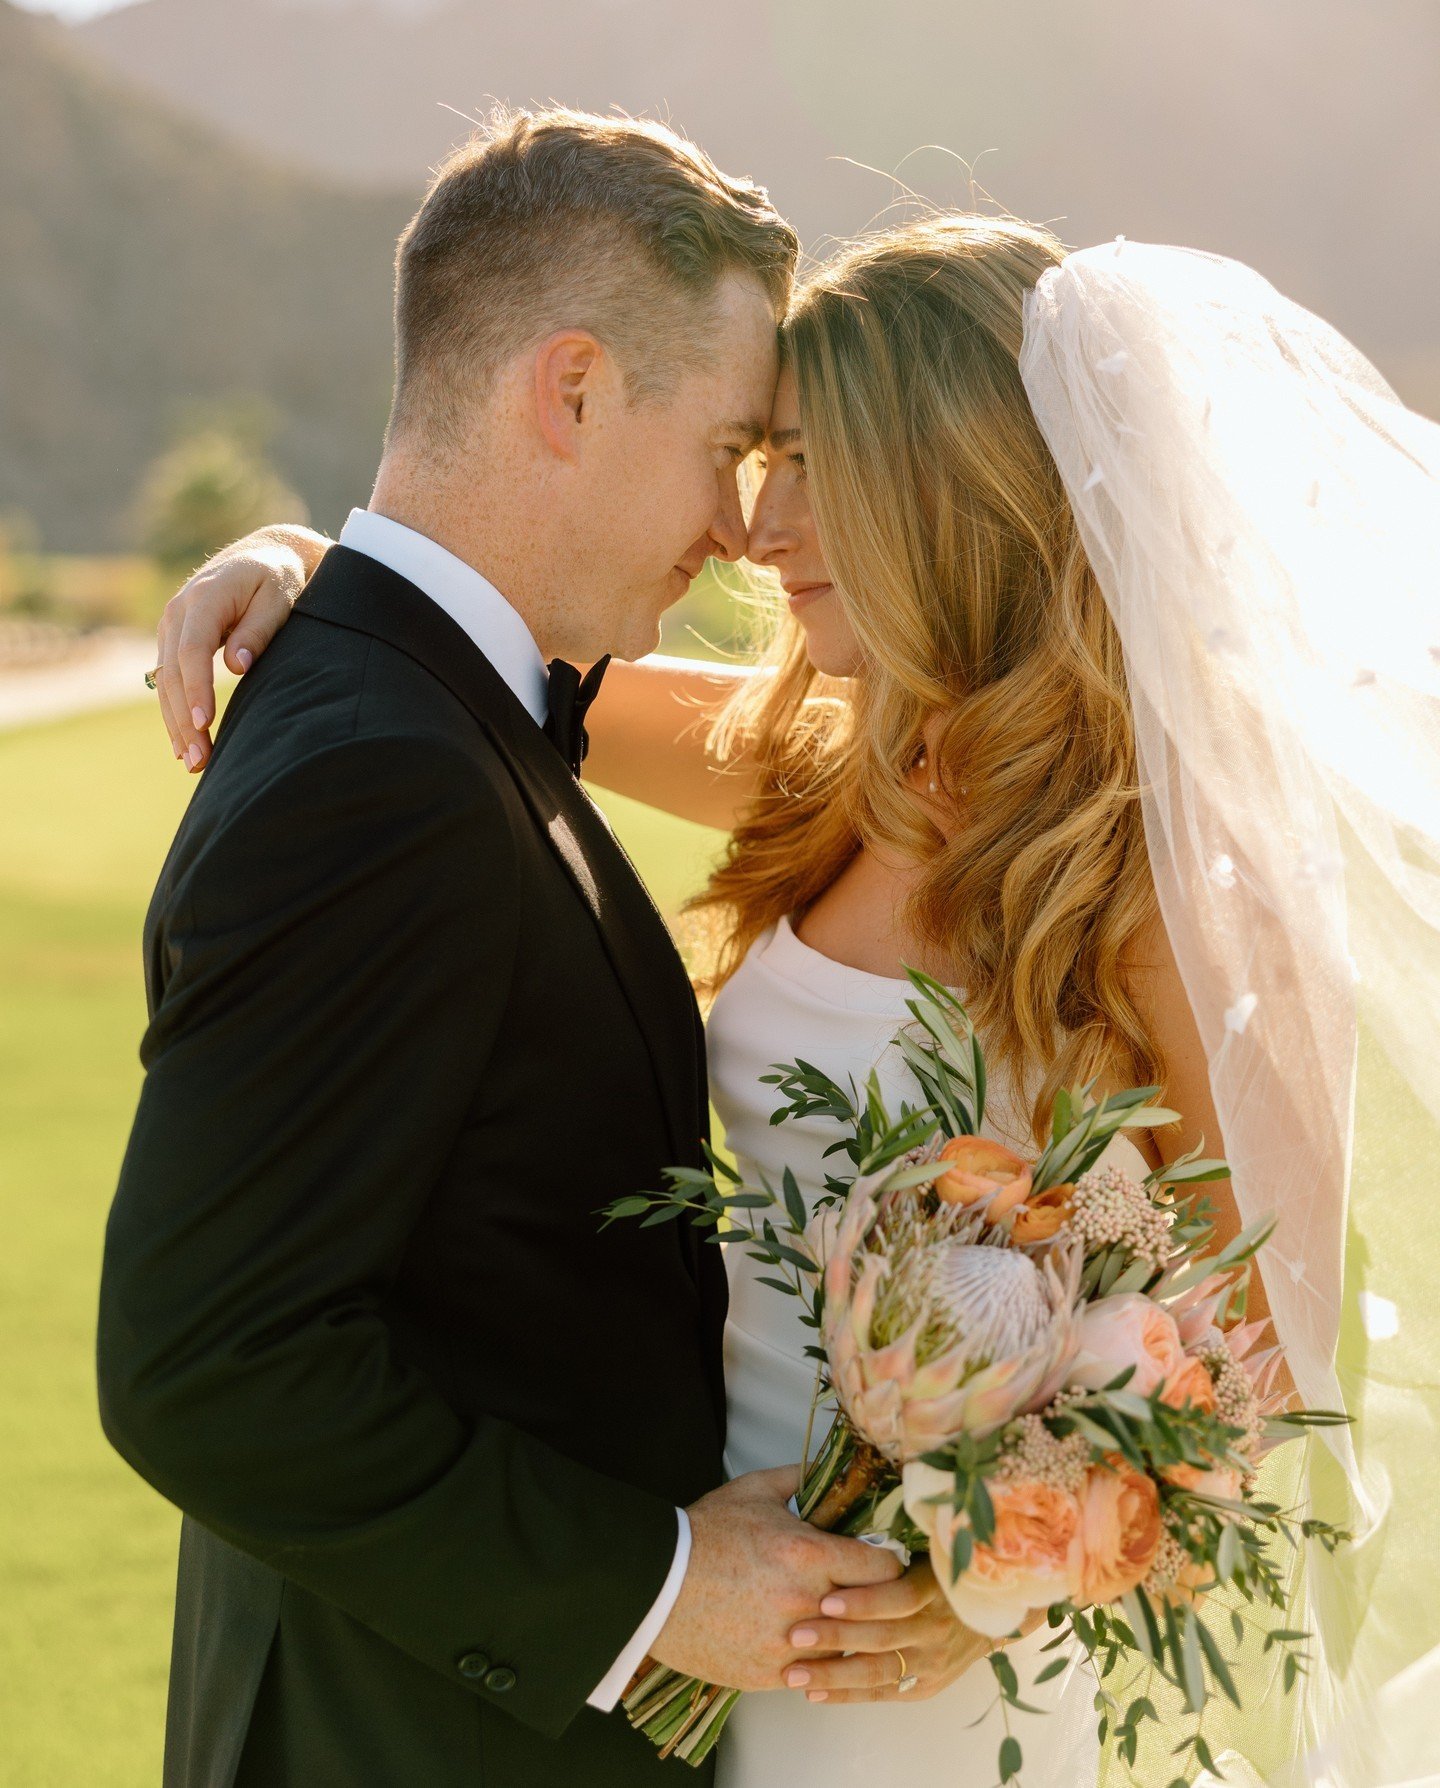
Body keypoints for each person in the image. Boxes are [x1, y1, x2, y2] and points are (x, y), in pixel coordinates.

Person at [145, 211, 1440, 1786]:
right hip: (697, 1589)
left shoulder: (1148, 872)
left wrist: (997, 1573)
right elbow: (482, 650)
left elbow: (1266, 1354)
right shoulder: (829, 771)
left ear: (948, 486)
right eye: (760, 461)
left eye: (815, 466)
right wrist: (298, 563)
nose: (762, 529)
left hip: (915, 1654)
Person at [97, 107, 918, 1788]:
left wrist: (307, 564)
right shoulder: (382, 770)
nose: (740, 526)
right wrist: (667, 1590)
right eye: (732, 448)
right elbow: (205, 1369)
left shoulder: (421, 697)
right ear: (572, 390)